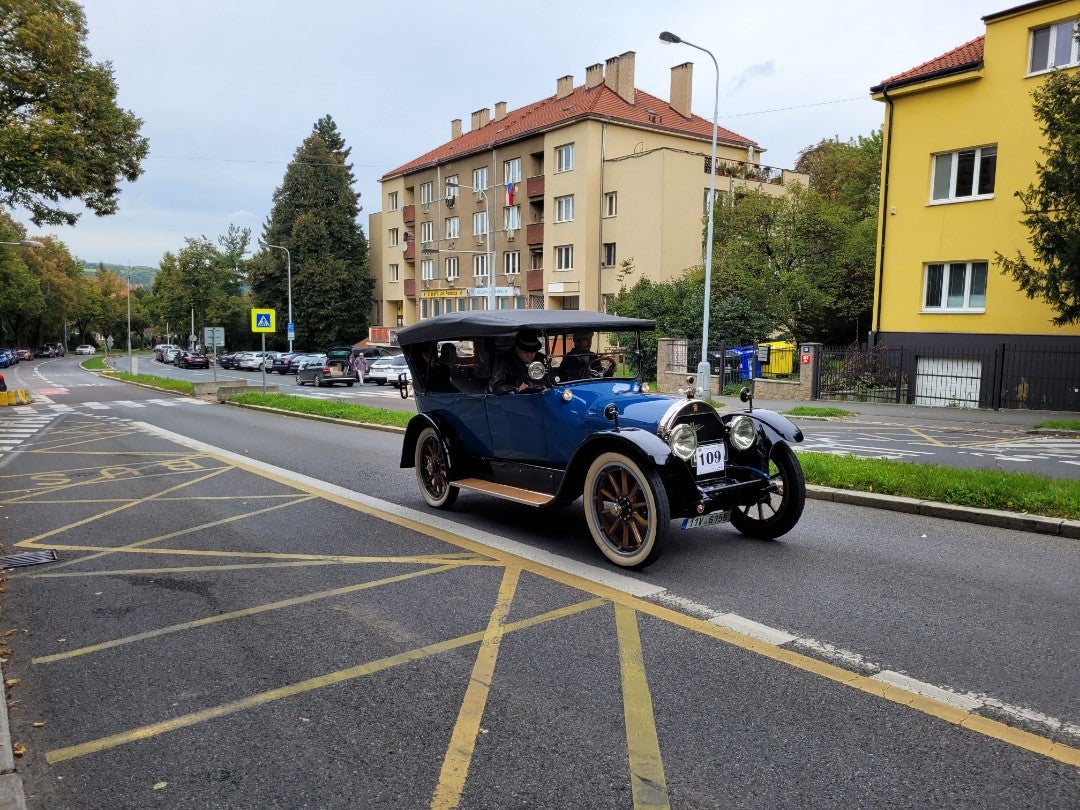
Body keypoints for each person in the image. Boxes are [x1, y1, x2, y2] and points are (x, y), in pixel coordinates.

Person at [489, 330, 547, 394]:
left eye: (532, 352)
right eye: (525, 352)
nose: (529, 355)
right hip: (516, 398)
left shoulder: (541, 358)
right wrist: (516, 389)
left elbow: (549, 379)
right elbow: (497, 386)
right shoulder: (503, 360)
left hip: (540, 396)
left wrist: (546, 387)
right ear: (517, 348)